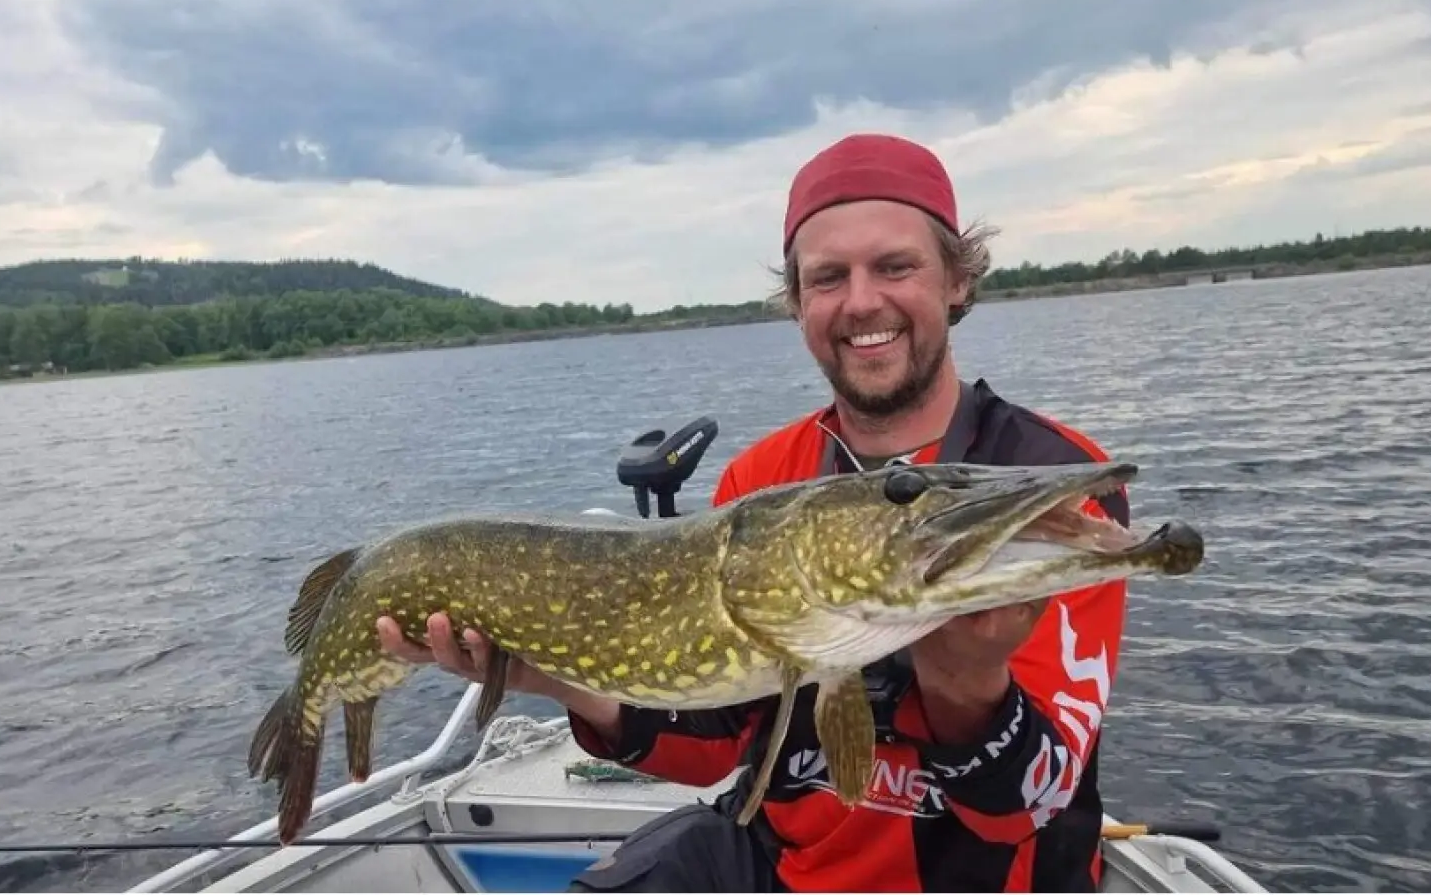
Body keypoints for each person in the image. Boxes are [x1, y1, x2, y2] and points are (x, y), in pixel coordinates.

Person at [376, 132, 1134, 892]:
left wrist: (967, 683)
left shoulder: (1051, 482)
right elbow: (721, 738)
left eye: (895, 266)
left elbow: (1031, 807)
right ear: (799, 303)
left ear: (957, 280)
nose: (861, 301)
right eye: (828, 277)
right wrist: (559, 680)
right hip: (785, 867)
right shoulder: (763, 479)